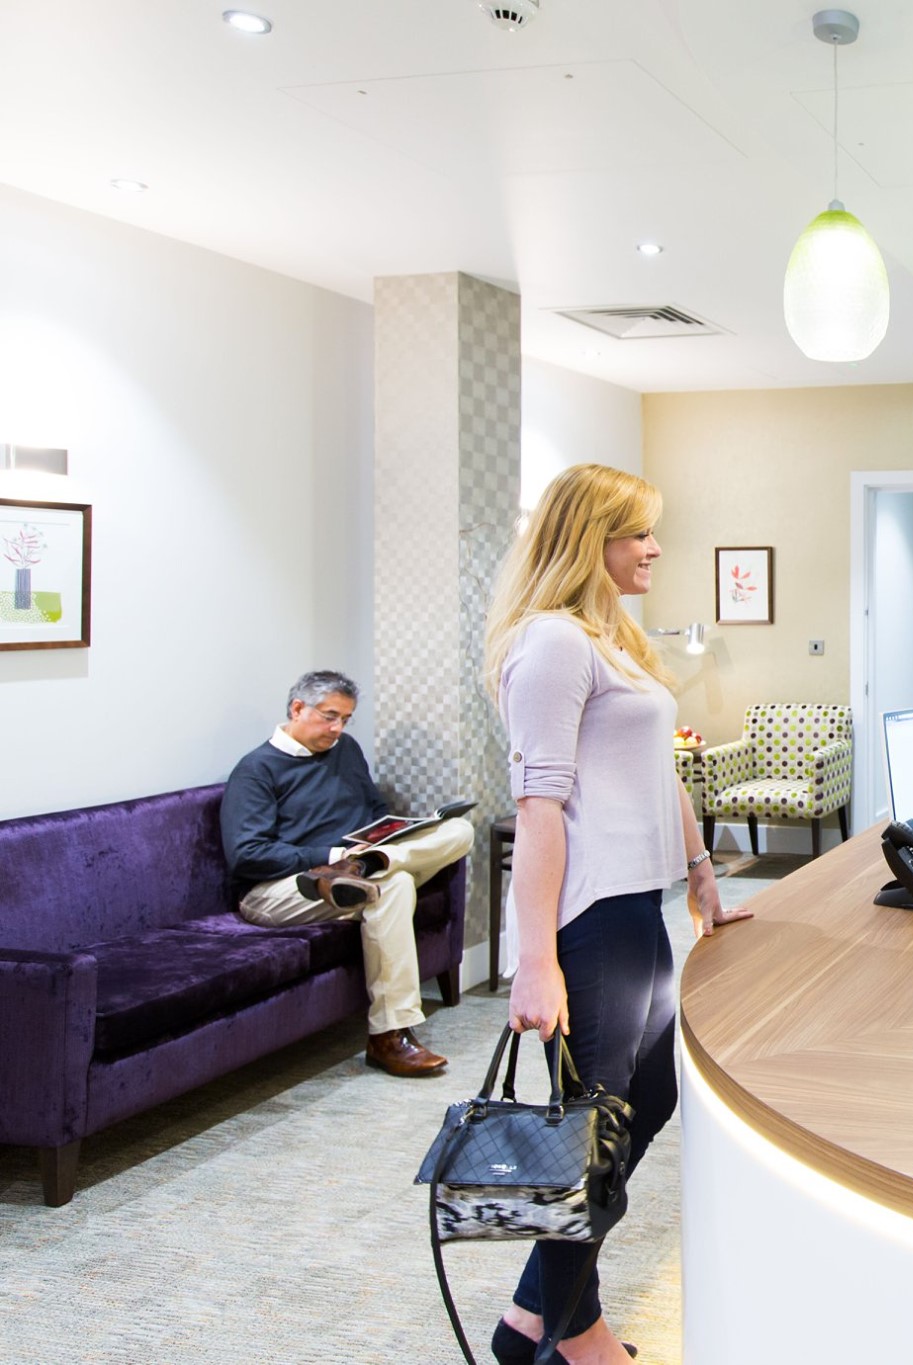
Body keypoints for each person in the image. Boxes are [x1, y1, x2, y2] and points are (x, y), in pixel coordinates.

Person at [484, 463, 750, 1365]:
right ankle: (576, 1337)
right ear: (587, 537)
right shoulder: (551, 643)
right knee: (591, 1139)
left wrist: (703, 871)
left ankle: (530, 1317)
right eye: (638, 532)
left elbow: (659, 769)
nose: (654, 548)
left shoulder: (611, 636)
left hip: (641, 904)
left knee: (650, 1100)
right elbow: (539, 808)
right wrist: (533, 958)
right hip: (590, 916)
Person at [222, 670, 475, 1078]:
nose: (337, 728)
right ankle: (389, 1036)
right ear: (297, 708)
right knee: (393, 886)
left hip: (353, 872)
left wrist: (395, 830)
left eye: (345, 719)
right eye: (329, 716)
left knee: (459, 830)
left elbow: (372, 810)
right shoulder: (256, 770)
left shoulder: (345, 750)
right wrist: (333, 854)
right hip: (278, 890)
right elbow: (248, 856)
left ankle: (366, 866)